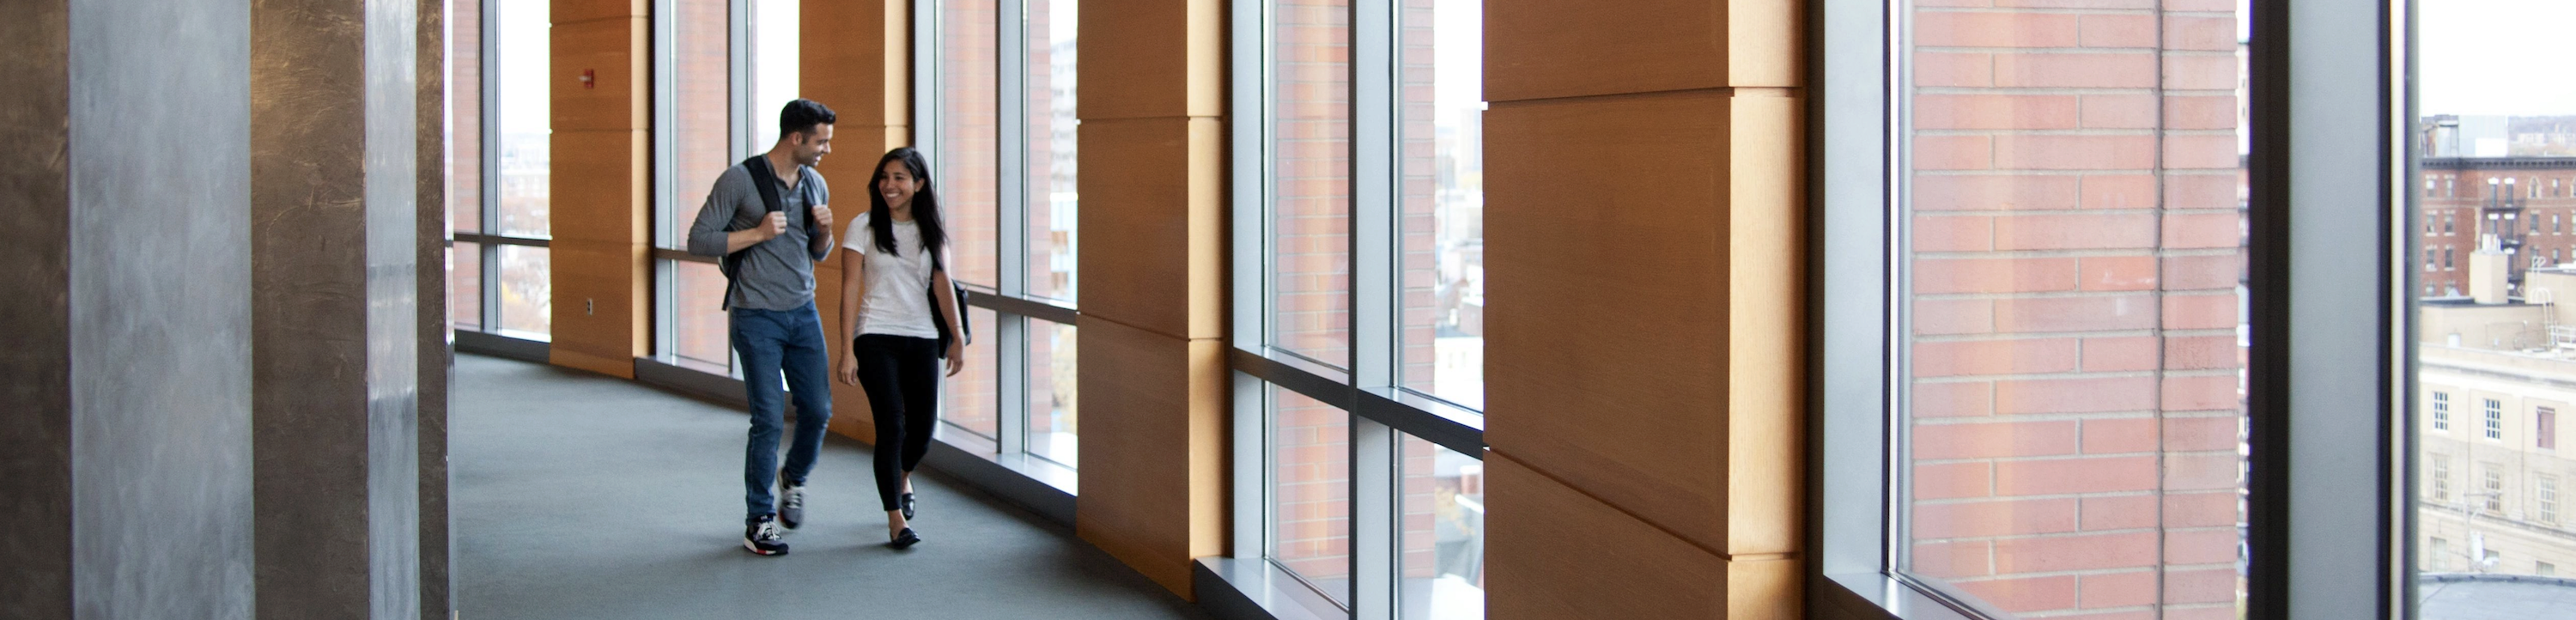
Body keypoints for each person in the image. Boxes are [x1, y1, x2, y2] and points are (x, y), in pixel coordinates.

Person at [686, 99, 838, 556]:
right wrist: (757, 233)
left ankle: (793, 477)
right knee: (769, 419)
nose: (826, 150)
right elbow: (698, 239)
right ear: (796, 138)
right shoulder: (740, 180)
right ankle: (760, 519)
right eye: (821, 141)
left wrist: (825, 233)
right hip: (756, 316)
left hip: (803, 313)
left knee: (817, 410)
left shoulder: (816, 184)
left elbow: (818, 254)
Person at [833, 147, 966, 550]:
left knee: (922, 432)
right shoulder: (864, 226)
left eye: (899, 178)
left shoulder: (931, 231)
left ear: (919, 184)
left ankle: (902, 476)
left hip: (922, 336)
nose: (889, 185)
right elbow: (850, 288)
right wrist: (846, 349)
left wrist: (957, 337)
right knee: (891, 426)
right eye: (884, 177)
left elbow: (943, 285)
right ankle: (895, 520)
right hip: (875, 335)